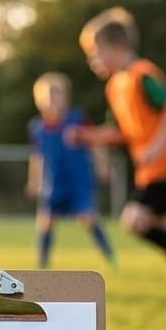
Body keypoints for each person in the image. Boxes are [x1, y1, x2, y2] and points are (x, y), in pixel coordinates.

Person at [73, 7, 166, 302]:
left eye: (95, 51)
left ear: (117, 47)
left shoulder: (142, 75)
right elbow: (121, 131)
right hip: (154, 169)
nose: (92, 60)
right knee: (158, 229)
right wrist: (86, 137)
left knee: (134, 220)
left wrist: (155, 146)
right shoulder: (116, 87)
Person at [27, 73, 114, 270]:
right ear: (39, 100)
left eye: (56, 94)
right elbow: (36, 156)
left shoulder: (77, 119)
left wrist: (102, 166)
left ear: (66, 97)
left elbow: (96, 143)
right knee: (46, 222)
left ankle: (109, 255)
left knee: (88, 218)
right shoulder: (38, 127)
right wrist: (34, 181)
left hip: (78, 182)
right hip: (53, 184)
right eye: (48, 95)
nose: (52, 99)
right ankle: (42, 264)